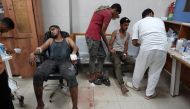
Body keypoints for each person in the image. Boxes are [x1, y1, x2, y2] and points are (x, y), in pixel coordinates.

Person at [29, 25, 78, 109]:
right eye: (50, 30)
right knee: (37, 74)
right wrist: (33, 53)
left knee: (71, 76)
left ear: (58, 29)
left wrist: (73, 53)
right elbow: (41, 48)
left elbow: (75, 47)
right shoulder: (50, 40)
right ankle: (40, 104)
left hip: (65, 62)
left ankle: (74, 106)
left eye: (53, 29)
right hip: (50, 62)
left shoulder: (67, 39)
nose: (51, 31)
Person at [130, 9, 167, 99]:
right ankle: (149, 94)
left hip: (147, 47)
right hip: (163, 48)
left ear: (143, 16)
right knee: (155, 72)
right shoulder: (160, 21)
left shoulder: (138, 23)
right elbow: (161, 34)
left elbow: (134, 42)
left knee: (140, 67)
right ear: (151, 14)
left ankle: (135, 86)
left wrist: (141, 43)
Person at [85, 3, 122, 83]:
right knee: (93, 57)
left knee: (102, 55)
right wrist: (109, 47)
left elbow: (100, 30)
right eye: (117, 13)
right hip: (93, 36)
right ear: (115, 10)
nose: (116, 15)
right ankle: (92, 75)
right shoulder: (108, 14)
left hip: (94, 36)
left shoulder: (103, 10)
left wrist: (115, 16)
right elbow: (102, 32)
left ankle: (98, 72)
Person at [109, 17, 135, 94]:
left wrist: (124, 53)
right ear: (121, 25)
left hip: (122, 53)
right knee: (117, 64)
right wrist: (111, 49)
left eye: (127, 25)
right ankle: (122, 85)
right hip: (114, 52)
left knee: (134, 62)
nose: (126, 27)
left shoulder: (128, 34)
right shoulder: (115, 32)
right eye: (125, 25)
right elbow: (110, 44)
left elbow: (126, 45)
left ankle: (117, 71)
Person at [0, 17, 15, 109]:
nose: (5, 33)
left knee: (6, 92)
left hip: (1, 70)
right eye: (6, 30)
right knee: (4, 95)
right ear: (4, 25)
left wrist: (6, 51)